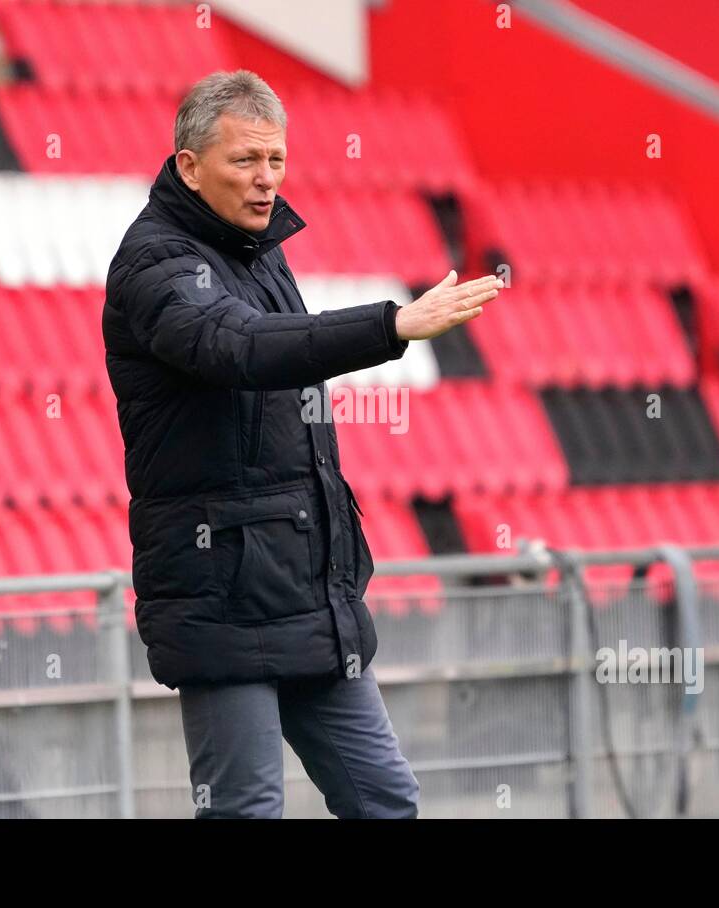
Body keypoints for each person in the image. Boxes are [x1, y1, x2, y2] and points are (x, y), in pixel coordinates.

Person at [102, 70, 503, 818]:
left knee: (386, 801)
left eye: (276, 161)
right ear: (188, 166)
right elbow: (237, 347)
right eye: (245, 162)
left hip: (309, 594)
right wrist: (388, 327)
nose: (266, 183)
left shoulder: (260, 249)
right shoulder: (154, 262)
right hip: (220, 594)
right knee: (246, 811)